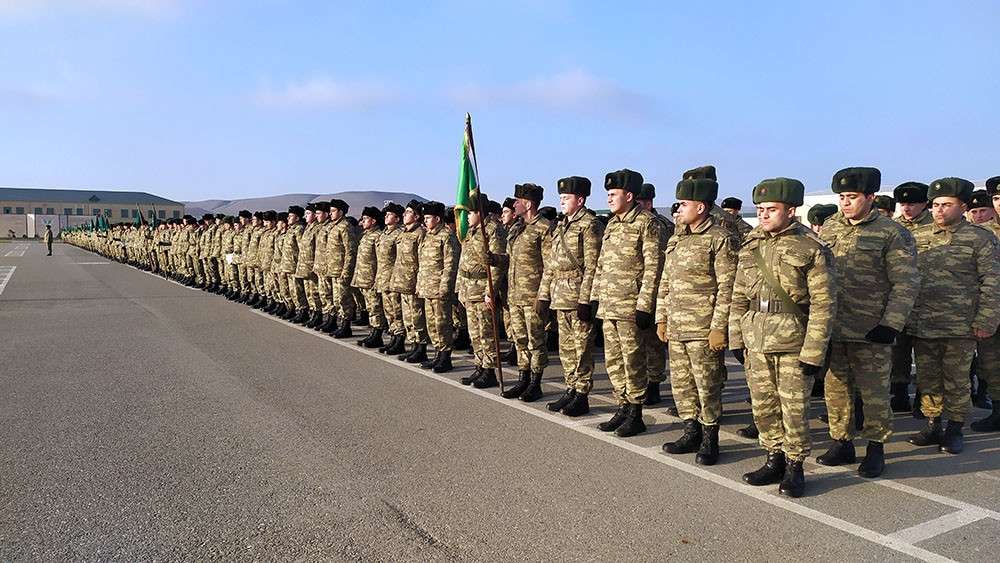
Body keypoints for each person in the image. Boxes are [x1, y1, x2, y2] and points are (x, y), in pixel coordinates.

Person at [730, 177, 836, 498]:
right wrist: (736, 337)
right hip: (756, 337)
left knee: (793, 408)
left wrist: (814, 352)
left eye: (770, 209)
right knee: (763, 405)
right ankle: (772, 458)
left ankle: (795, 465)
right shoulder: (750, 243)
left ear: (791, 210)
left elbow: (823, 304)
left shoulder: (811, 248)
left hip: (793, 341)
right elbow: (738, 295)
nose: (763, 215)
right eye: (760, 209)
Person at [817, 167, 918, 479]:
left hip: (871, 330)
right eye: (842, 197)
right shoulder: (832, 226)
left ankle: (876, 448)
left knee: (874, 394)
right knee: (835, 389)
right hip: (835, 327)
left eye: (852, 197)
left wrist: (891, 324)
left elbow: (906, 283)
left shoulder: (892, 233)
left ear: (871, 198)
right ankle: (842, 442)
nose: (845, 203)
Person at [906, 178, 1000, 454]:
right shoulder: (916, 237)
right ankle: (933, 423)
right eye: (935, 205)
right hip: (923, 322)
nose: (938, 210)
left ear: (962, 206)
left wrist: (986, 320)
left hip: (960, 325)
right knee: (927, 378)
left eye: (946, 205)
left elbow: (992, 282)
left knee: (957, 380)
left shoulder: (980, 238)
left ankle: (955, 428)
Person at [657, 177, 737, 465]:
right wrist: (661, 317)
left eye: (684, 204)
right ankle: (690, 430)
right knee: (682, 384)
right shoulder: (678, 237)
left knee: (707, 385)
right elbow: (665, 281)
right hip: (677, 325)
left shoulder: (720, 238)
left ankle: (709, 437)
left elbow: (728, 287)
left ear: (701, 207)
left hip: (703, 326)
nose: (679, 208)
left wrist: (719, 327)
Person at [591, 168, 665, 437]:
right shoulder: (611, 224)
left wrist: (645, 306)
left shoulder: (648, 224)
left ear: (629, 195)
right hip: (610, 305)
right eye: (608, 194)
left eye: (613, 194)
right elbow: (601, 265)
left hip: (631, 306)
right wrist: (595, 297)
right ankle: (622, 406)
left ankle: (636, 412)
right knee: (613, 361)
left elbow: (653, 268)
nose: (609, 199)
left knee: (633, 361)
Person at [538, 176, 603, 416]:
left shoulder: (590, 225)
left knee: (581, 348)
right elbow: (551, 265)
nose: (562, 202)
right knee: (566, 349)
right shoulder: (561, 226)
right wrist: (544, 295)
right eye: (561, 198)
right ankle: (570, 388)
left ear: (581, 199)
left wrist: (586, 300)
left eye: (566, 198)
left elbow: (593, 266)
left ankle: (582, 394)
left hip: (577, 297)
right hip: (559, 296)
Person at [503, 183, 552, 400]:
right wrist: (494, 259)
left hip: (533, 297)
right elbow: (510, 259)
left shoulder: (544, 228)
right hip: (515, 295)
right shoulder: (517, 227)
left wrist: (543, 296)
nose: (514, 205)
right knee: (520, 339)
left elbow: (550, 266)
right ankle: (523, 378)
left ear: (528, 204)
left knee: (536, 341)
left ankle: (535, 382)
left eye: (517, 201)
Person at [890, 182, 934, 415]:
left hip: (927, 303)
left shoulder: (936, 227)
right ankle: (899, 395)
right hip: (898, 302)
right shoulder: (892, 228)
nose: (906, 208)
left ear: (924, 204)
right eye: (903, 203)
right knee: (899, 351)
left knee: (926, 354)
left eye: (912, 203)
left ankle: (923, 400)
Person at [456, 197, 507, 387]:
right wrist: (460, 288)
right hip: (469, 288)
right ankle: (480, 366)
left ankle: (490, 370)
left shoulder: (493, 231)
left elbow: (497, 263)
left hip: (483, 287)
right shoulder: (471, 231)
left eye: (470, 212)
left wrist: (490, 291)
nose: (467, 216)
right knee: (474, 333)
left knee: (486, 332)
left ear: (480, 213)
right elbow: (463, 262)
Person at [635, 183, 675, 406]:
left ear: (648, 203)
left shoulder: (661, 225)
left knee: (653, 342)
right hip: (634, 292)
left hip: (655, 290)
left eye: (640, 204)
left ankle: (654, 383)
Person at [416, 201, 460, 373]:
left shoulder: (446, 237)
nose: (425, 221)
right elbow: (422, 264)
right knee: (432, 324)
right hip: (427, 287)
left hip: (439, 289)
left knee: (442, 324)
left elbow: (450, 265)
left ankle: (445, 357)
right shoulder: (428, 236)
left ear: (437, 218)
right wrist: (420, 285)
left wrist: (445, 287)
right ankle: (436, 354)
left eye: (428, 218)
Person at [974, 176, 1000, 432]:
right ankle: (998, 411)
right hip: (991, 308)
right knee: (991, 363)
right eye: (996, 198)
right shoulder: (983, 234)